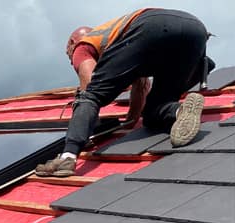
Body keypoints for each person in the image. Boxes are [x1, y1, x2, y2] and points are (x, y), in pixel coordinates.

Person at [35, 8, 214, 177]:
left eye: (69, 55)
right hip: (195, 32)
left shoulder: (83, 45)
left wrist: (85, 127)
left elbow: (90, 89)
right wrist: (131, 121)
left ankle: (67, 158)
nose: (71, 60)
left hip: (150, 26)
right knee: (154, 113)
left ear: (72, 44)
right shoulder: (125, 46)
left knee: (89, 97)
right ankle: (179, 111)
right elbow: (141, 86)